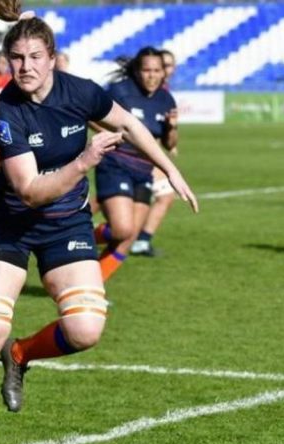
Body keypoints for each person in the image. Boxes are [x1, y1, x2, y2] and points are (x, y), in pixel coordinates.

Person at [0, 2, 198, 444]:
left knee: (85, 329)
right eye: (17, 58)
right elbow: (29, 189)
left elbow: (130, 124)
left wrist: (168, 169)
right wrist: (84, 161)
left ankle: (20, 355)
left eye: (34, 57)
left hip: (66, 224)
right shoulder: (8, 112)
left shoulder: (80, 91)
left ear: (53, 58)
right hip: (11, 224)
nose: (25, 67)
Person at [93, 47, 178, 281]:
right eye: (146, 70)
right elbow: (89, 114)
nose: (151, 75)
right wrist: (113, 137)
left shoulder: (166, 99)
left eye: (156, 71)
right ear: (137, 71)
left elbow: (170, 144)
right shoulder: (120, 91)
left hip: (144, 171)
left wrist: (171, 127)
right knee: (122, 229)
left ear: (163, 73)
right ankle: (78, 238)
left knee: (127, 239)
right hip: (115, 165)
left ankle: (91, 290)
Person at [130, 48, 178, 257]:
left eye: (169, 66)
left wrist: (171, 130)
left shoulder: (164, 94)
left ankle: (141, 240)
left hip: (151, 156)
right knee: (121, 223)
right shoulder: (133, 90)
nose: (167, 70)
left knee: (166, 196)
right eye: (164, 65)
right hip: (133, 157)